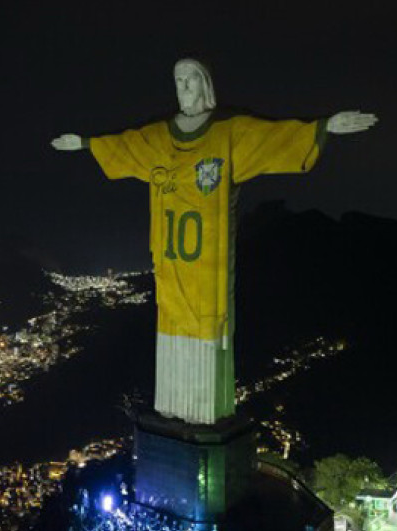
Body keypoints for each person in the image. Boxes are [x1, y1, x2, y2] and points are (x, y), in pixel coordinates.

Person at [52, 58, 376, 424]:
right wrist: (85, 143)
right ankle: (173, 413)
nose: (183, 87)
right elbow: (126, 146)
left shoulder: (227, 133)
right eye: (177, 80)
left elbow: (272, 138)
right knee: (169, 326)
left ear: (205, 84)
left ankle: (205, 416)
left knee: (209, 332)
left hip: (208, 266)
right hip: (171, 263)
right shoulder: (159, 139)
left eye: (190, 79)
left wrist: (324, 127)